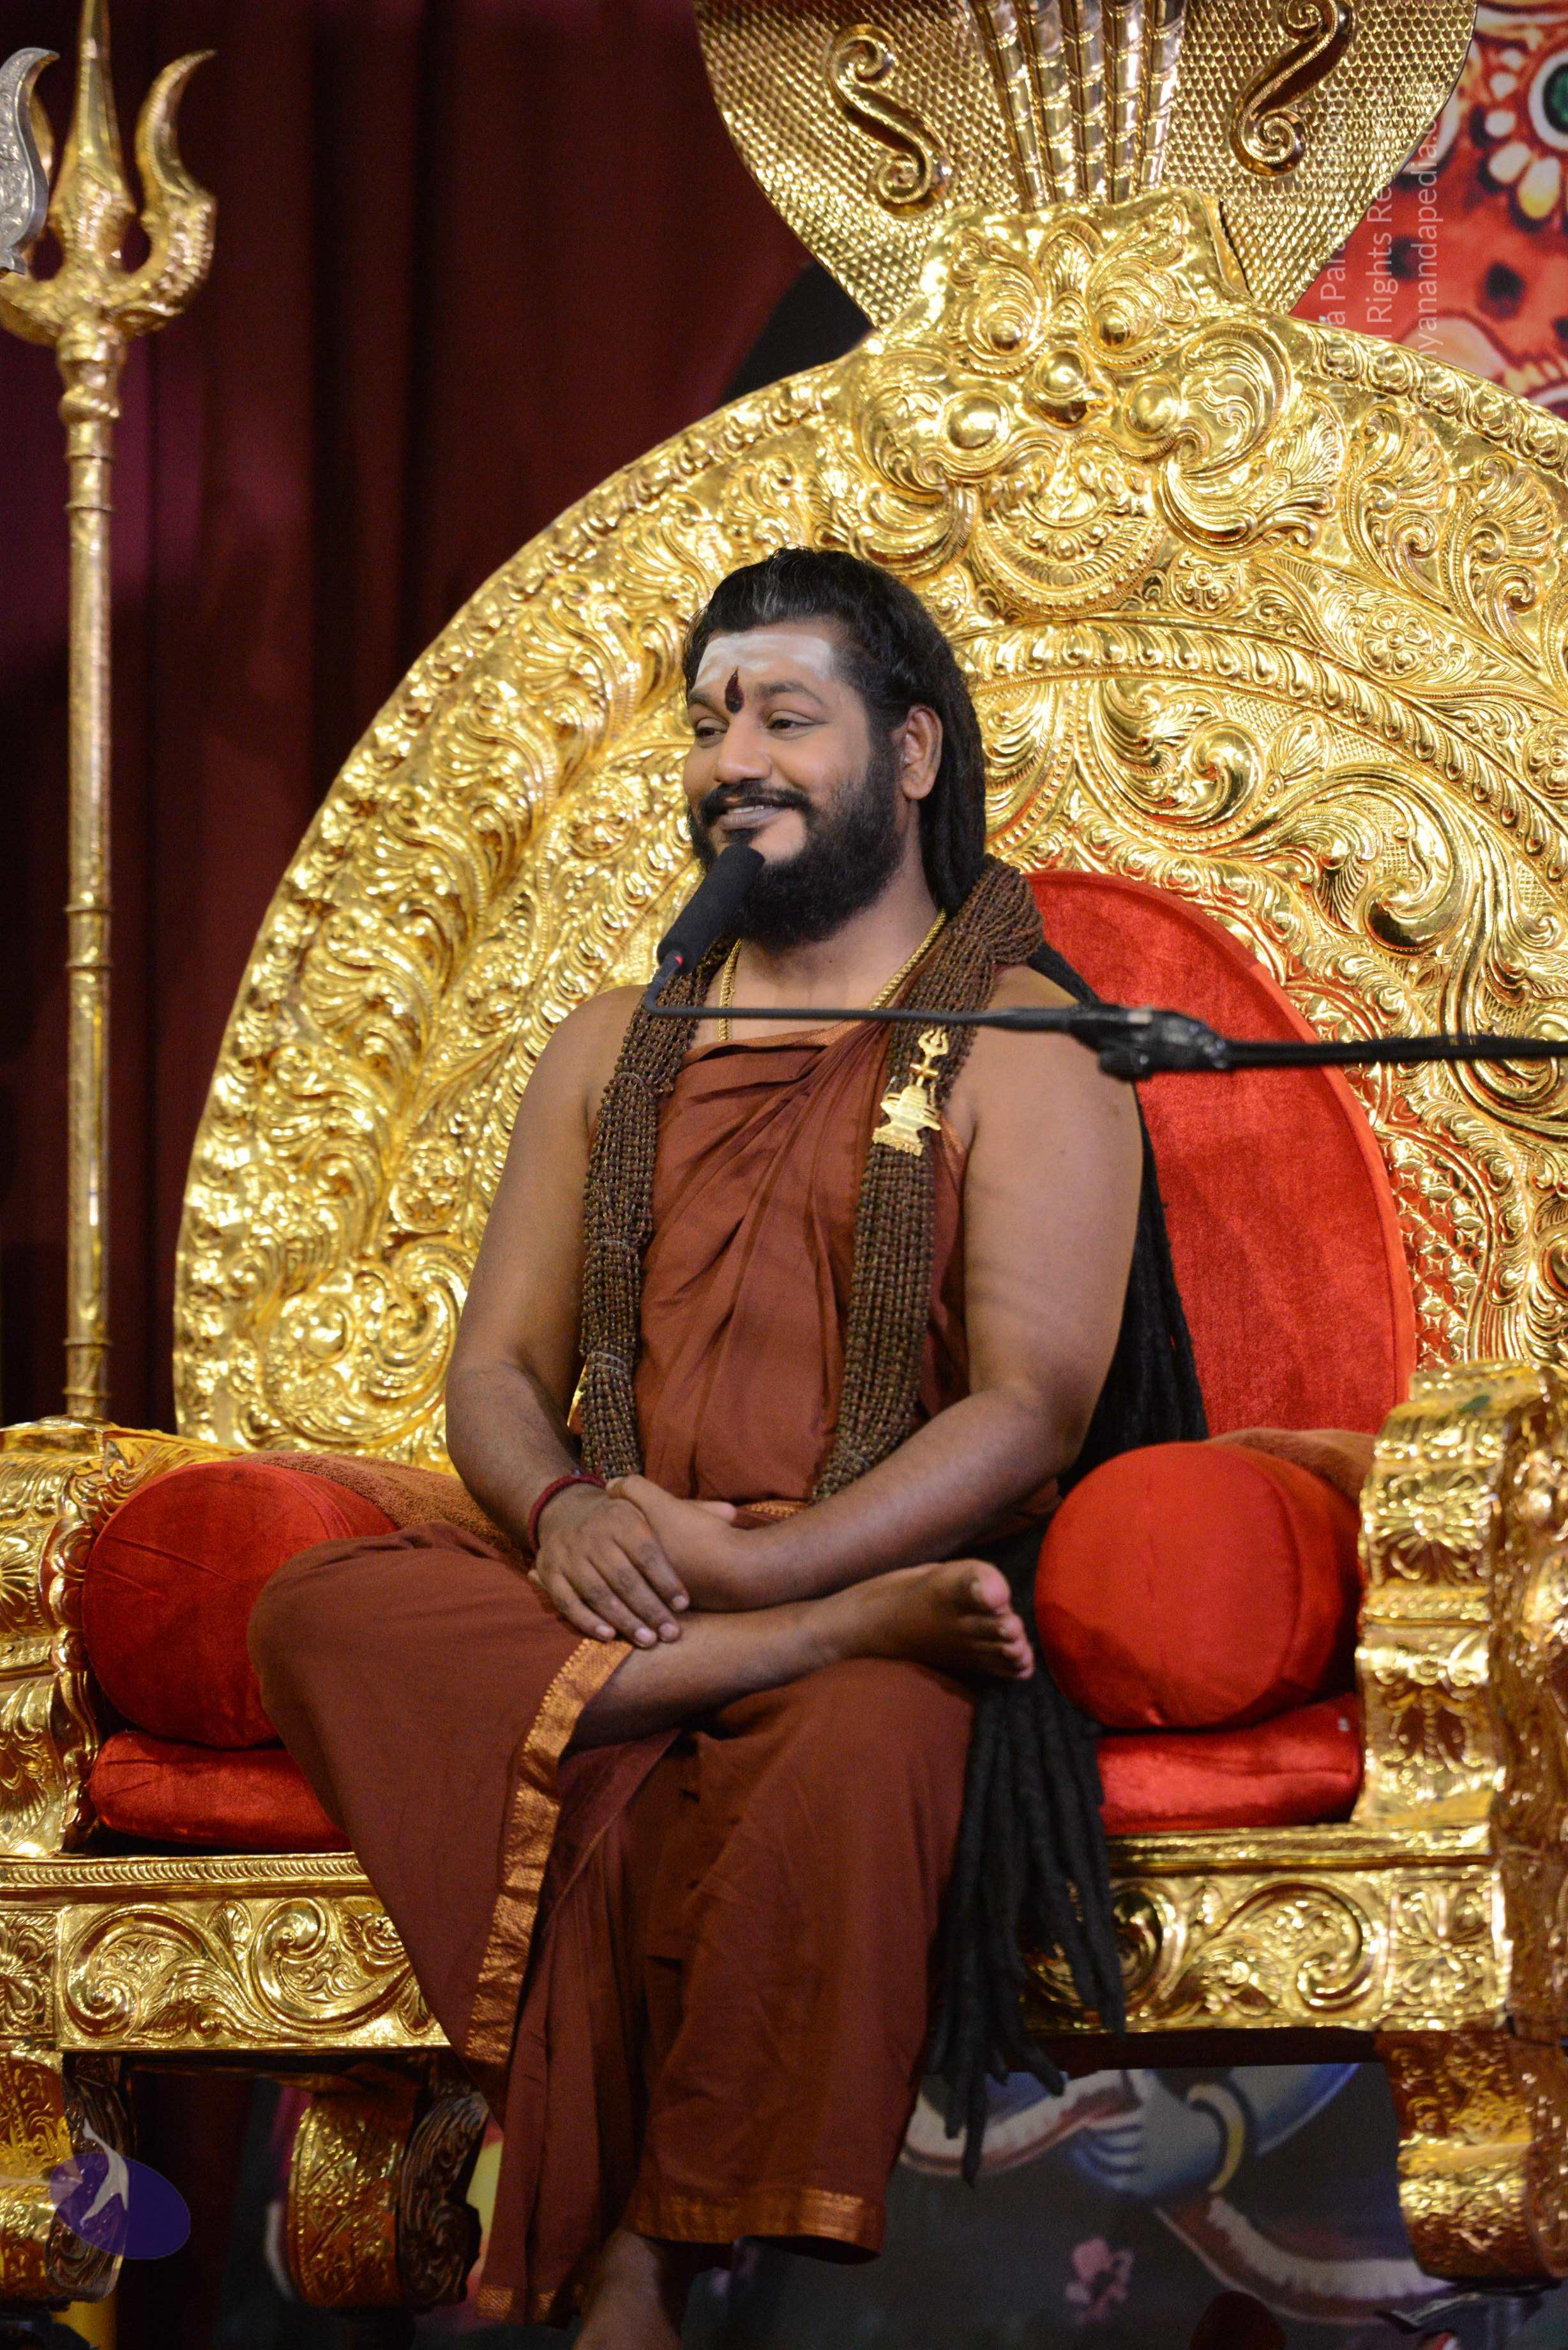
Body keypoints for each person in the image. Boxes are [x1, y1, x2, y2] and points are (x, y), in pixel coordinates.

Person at [249, 548, 1198, 2346]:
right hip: (614, 1571)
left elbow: (1030, 1413)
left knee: (864, 1737)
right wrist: (561, 1511)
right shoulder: (609, 1044)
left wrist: (772, 1562)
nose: (731, 759)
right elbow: (496, 1373)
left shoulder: (1028, 1041)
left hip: (873, 1582)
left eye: (783, 716)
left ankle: (644, 2271)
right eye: (706, 722)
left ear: (910, 751)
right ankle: (775, 1650)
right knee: (315, 1608)